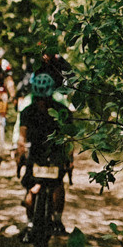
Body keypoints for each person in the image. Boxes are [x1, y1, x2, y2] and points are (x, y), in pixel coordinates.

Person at [16, 70, 78, 229]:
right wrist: (70, 159)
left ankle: (33, 224)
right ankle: (55, 220)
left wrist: (20, 156)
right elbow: (68, 137)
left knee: (39, 186)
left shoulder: (27, 111)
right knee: (56, 184)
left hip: (43, 152)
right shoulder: (62, 111)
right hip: (49, 152)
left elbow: (22, 137)